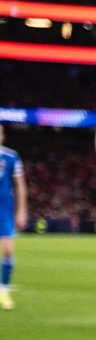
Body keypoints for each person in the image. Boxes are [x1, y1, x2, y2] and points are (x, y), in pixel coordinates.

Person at [0, 125, 28, 310]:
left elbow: (20, 185)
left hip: (4, 209)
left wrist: (22, 210)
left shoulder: (11, 156)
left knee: (8, 251)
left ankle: (3, 290)